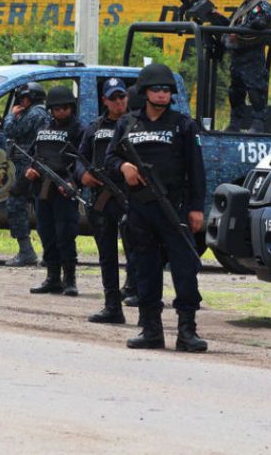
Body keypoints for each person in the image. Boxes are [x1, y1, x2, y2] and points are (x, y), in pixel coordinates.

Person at [105, 63, 208, 352]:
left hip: (174, 208)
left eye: (166, 90)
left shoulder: (183, 125)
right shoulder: (127, 123)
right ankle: (151, 330)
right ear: (145, 92)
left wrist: (197, 208)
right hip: (140, 209)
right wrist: (124, 166)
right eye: (156, 89)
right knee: (146, 271)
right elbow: (109, 158)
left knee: (185, 269)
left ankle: (187, 331)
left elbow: (196, 171)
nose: (162, 94)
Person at [78, 78, 136, 323]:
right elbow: (78, 158)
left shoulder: (136, 125)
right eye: (113, 98)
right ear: (104, 101)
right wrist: (83, 175)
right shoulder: (94, 128)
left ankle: (136, 293)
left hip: (130, 197)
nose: (119, 102)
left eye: (122, 97)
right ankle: (112, 306)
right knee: (107, 255)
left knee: (137, 250)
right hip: (101, 199)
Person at [26, 86, 84, 296]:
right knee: (46, 232)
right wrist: (30, 170)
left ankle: (69, 279)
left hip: (64, 189)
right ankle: (53, 277)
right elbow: (34, 154)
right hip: (43, 189)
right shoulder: (43, 129)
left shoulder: (79, 130)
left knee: (65, 234)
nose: (61, 111)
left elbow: (82, 160)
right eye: (56, 108)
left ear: (71, 107)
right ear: (50, 109)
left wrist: (75, 183)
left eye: (65, 108)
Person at [217, 0, 271, 134]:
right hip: (238, 56)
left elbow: (260, 23)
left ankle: (258, 123)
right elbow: (233, 26)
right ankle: (234, 123)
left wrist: (239, 31)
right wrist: (217, 17)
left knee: (255, 91)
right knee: (235, 91)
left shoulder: (263, 6)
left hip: (252, 56)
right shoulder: (243, 7)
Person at [3, 82, 49, 267]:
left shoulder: (34, 114)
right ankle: (49, 252)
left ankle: (26, 251)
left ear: (28, 99)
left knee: (16, 202)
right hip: (35, 166)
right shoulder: (41, 113)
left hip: (30, 167)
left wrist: (10, 116)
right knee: (41, 208)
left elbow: (11, 130)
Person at [119, 84, 145, 308]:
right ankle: (132, 286)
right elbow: (111, 157)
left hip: (151, 197)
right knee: (132, 240)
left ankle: (140, 289)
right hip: (131, 195)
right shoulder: (126, 125)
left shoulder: (136, 126)